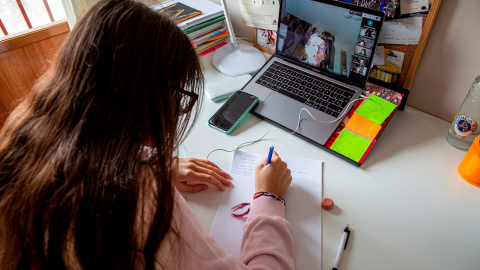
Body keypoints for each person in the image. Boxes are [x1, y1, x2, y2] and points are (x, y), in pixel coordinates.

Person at [0, 0, 294, 269]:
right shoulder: (134, 197)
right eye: (178, 97)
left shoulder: (22, 134)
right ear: (147, 98)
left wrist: (157, 165)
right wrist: (268, 197)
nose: (177, 112)